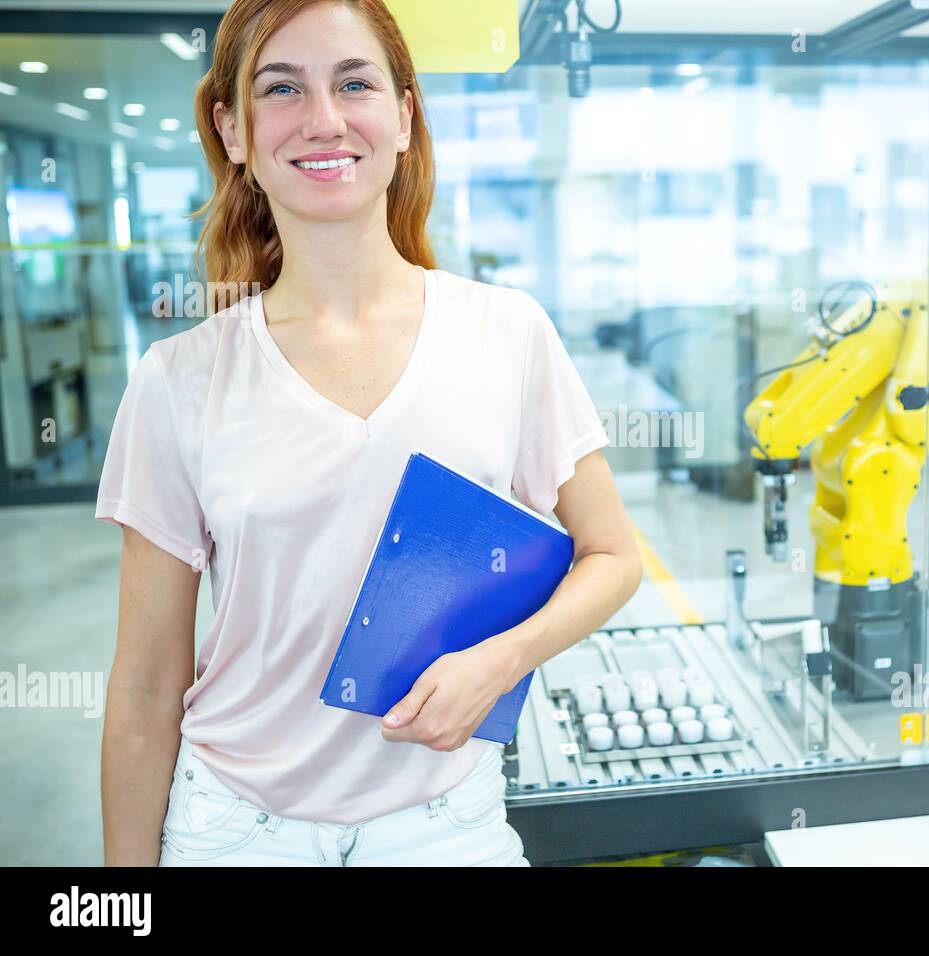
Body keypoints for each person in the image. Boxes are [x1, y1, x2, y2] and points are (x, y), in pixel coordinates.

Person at [95, 0, 642, 866]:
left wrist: (500, 662)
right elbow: (145, 687)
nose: (324, 119)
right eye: (282, 89)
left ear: (402, 118)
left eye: (355, 83)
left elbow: (612, 556)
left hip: (445, 827)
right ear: (233, 130)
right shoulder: (180, 377)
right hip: (237, 831)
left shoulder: (507, 332)